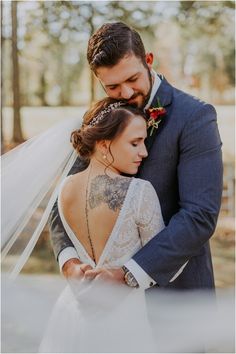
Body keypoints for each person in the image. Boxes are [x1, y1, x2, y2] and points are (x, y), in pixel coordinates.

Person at [49, 22, 223, 290]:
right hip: (102, 299)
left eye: (132, 79)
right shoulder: (101, 119)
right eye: (113, 87)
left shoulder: (195, 117)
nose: (126, 94)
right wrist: (69, 262)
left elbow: (199, 214)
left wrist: (129, 273)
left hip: (177, 295)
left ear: (149, 60)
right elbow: (66, 191)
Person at [39, 98, 165, 352]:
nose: (144, 152)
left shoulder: (65, 187)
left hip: (72, 312)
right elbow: (162, 256)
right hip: (124, 322)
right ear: (105, 144)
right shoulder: (140, 191)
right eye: (135, 143)